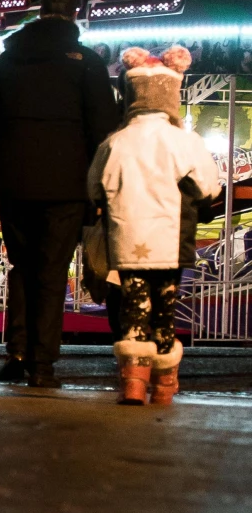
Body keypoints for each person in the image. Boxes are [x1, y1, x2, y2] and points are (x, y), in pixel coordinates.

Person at [0, 0, 118, 389]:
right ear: (76, 13)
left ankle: (17, 350)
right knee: (52, 271)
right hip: (67, 187)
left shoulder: (7, 61)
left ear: (39, 10)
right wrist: (102, 190)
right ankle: (43, 363)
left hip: (15, 184)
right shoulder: (86, 62)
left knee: (22, 267)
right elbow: (103, 131)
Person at [87, 45, 221, 405]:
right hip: (172, 237)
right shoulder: (186, 141)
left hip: (128, 237)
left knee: (134, 304)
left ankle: (132, 381)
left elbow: (94, 188)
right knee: (165, 306)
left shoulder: (115, 142)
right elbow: (210, 187)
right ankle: (164, 385)